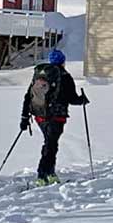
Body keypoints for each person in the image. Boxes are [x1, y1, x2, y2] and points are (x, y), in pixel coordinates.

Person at [20, 49, 87, 186]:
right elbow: (72, 98)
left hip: (39, 115)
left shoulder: (40, 75)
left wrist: (24, 117)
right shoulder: (65, 76)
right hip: (56, 116)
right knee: (51, 145)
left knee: (50, 143)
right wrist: (82, 100)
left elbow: (29, 96)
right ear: (63, 61)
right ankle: (43, 174)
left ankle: (49, 172)